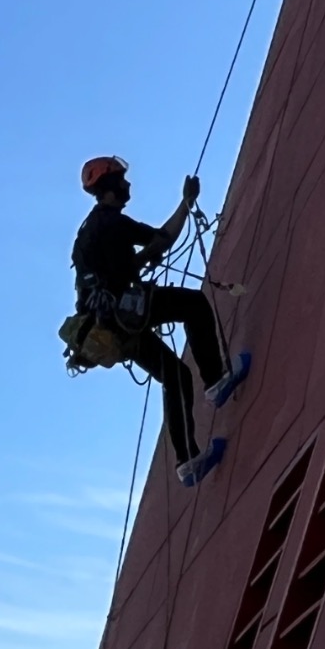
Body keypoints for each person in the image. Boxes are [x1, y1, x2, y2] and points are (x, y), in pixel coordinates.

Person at [72, 156, 250, 483]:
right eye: (122, 181)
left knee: (176, 376)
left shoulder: (90, 230)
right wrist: (187, 202)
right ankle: (214, 381)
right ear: (110, 187)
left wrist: (141, 258)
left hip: (106, 325)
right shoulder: (113, 223)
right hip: (125, 314)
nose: (127, 185)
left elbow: (119, 268)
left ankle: (187, 462)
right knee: (194, 305)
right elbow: (163, 239)